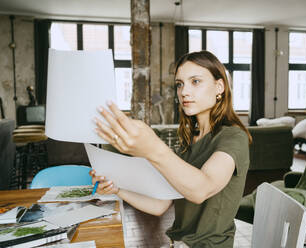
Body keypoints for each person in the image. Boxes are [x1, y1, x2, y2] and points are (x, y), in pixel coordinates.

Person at [90, 51, 251, 248]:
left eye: (196, 82)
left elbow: (201, 189)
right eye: (180, 84)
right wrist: (118, 190)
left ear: (219, 87)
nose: (184, 92)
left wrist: (153, 149)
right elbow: (160, 205)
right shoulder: (189, 141)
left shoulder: (234, 137)